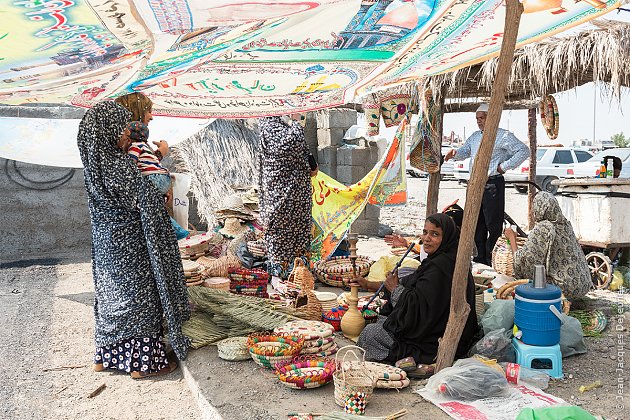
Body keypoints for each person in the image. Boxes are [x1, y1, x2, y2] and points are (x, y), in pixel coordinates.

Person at [77, 101, 190, 379]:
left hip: (106, 243)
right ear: (107, 130)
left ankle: (105, 357)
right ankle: (143, 364)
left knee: (112, 296)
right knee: (140, 298)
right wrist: (161, 196)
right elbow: (141, 199)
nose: (127, 133)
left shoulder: (95, 162)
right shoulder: (118, 165)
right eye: (121, 128)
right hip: (131, 243)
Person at [351, 213, 479, 376]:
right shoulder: (441, 261)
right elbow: (410, 282)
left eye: (435, 234)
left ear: (447, 237)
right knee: (382, 320)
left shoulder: (440, 269)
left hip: (435, 340)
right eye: (425, 232)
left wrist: (395, 290)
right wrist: (369, 285)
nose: (427, 238)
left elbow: (418, 312)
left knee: (370, 335)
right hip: (433, 329)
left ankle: (412, 363)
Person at [445, 103, 529, 265]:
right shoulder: (475, 136)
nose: (479, 121)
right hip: (474, 185)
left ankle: (493, 257)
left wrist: (503, 167)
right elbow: (464, 152)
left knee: (493, 224)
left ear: (492, 117)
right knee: (476, 222)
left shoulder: (503, 136)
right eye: (477, 118)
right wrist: (454, 153)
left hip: (492, 184)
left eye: (482, 118)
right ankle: (480, 258)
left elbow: (523, 150)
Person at [258, 114, 318, 279]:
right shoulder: (279, 131)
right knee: (284, 235)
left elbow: (304, 155)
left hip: (286, 199)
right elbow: (296, 147)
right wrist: (297, 124)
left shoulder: (268, 128)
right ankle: (290, 275)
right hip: (287, 198)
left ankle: (294, 275)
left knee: (288, 234)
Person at [503, 191, 591, 300]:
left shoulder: (543, 228)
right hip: (583, 284)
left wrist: (512, 238)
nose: (532, 211)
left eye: (533, 207)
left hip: (563, 289)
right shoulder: (566, 224)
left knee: (533, 278)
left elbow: (526, 261)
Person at [126, 121, 189, 239]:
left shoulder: (135, 146)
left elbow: (130, 163)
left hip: (153, 178)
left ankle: (176, 232)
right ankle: (179, 231)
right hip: (163, 178)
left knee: (150, 209)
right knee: (157, 208)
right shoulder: (146, 148)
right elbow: (155, 161)